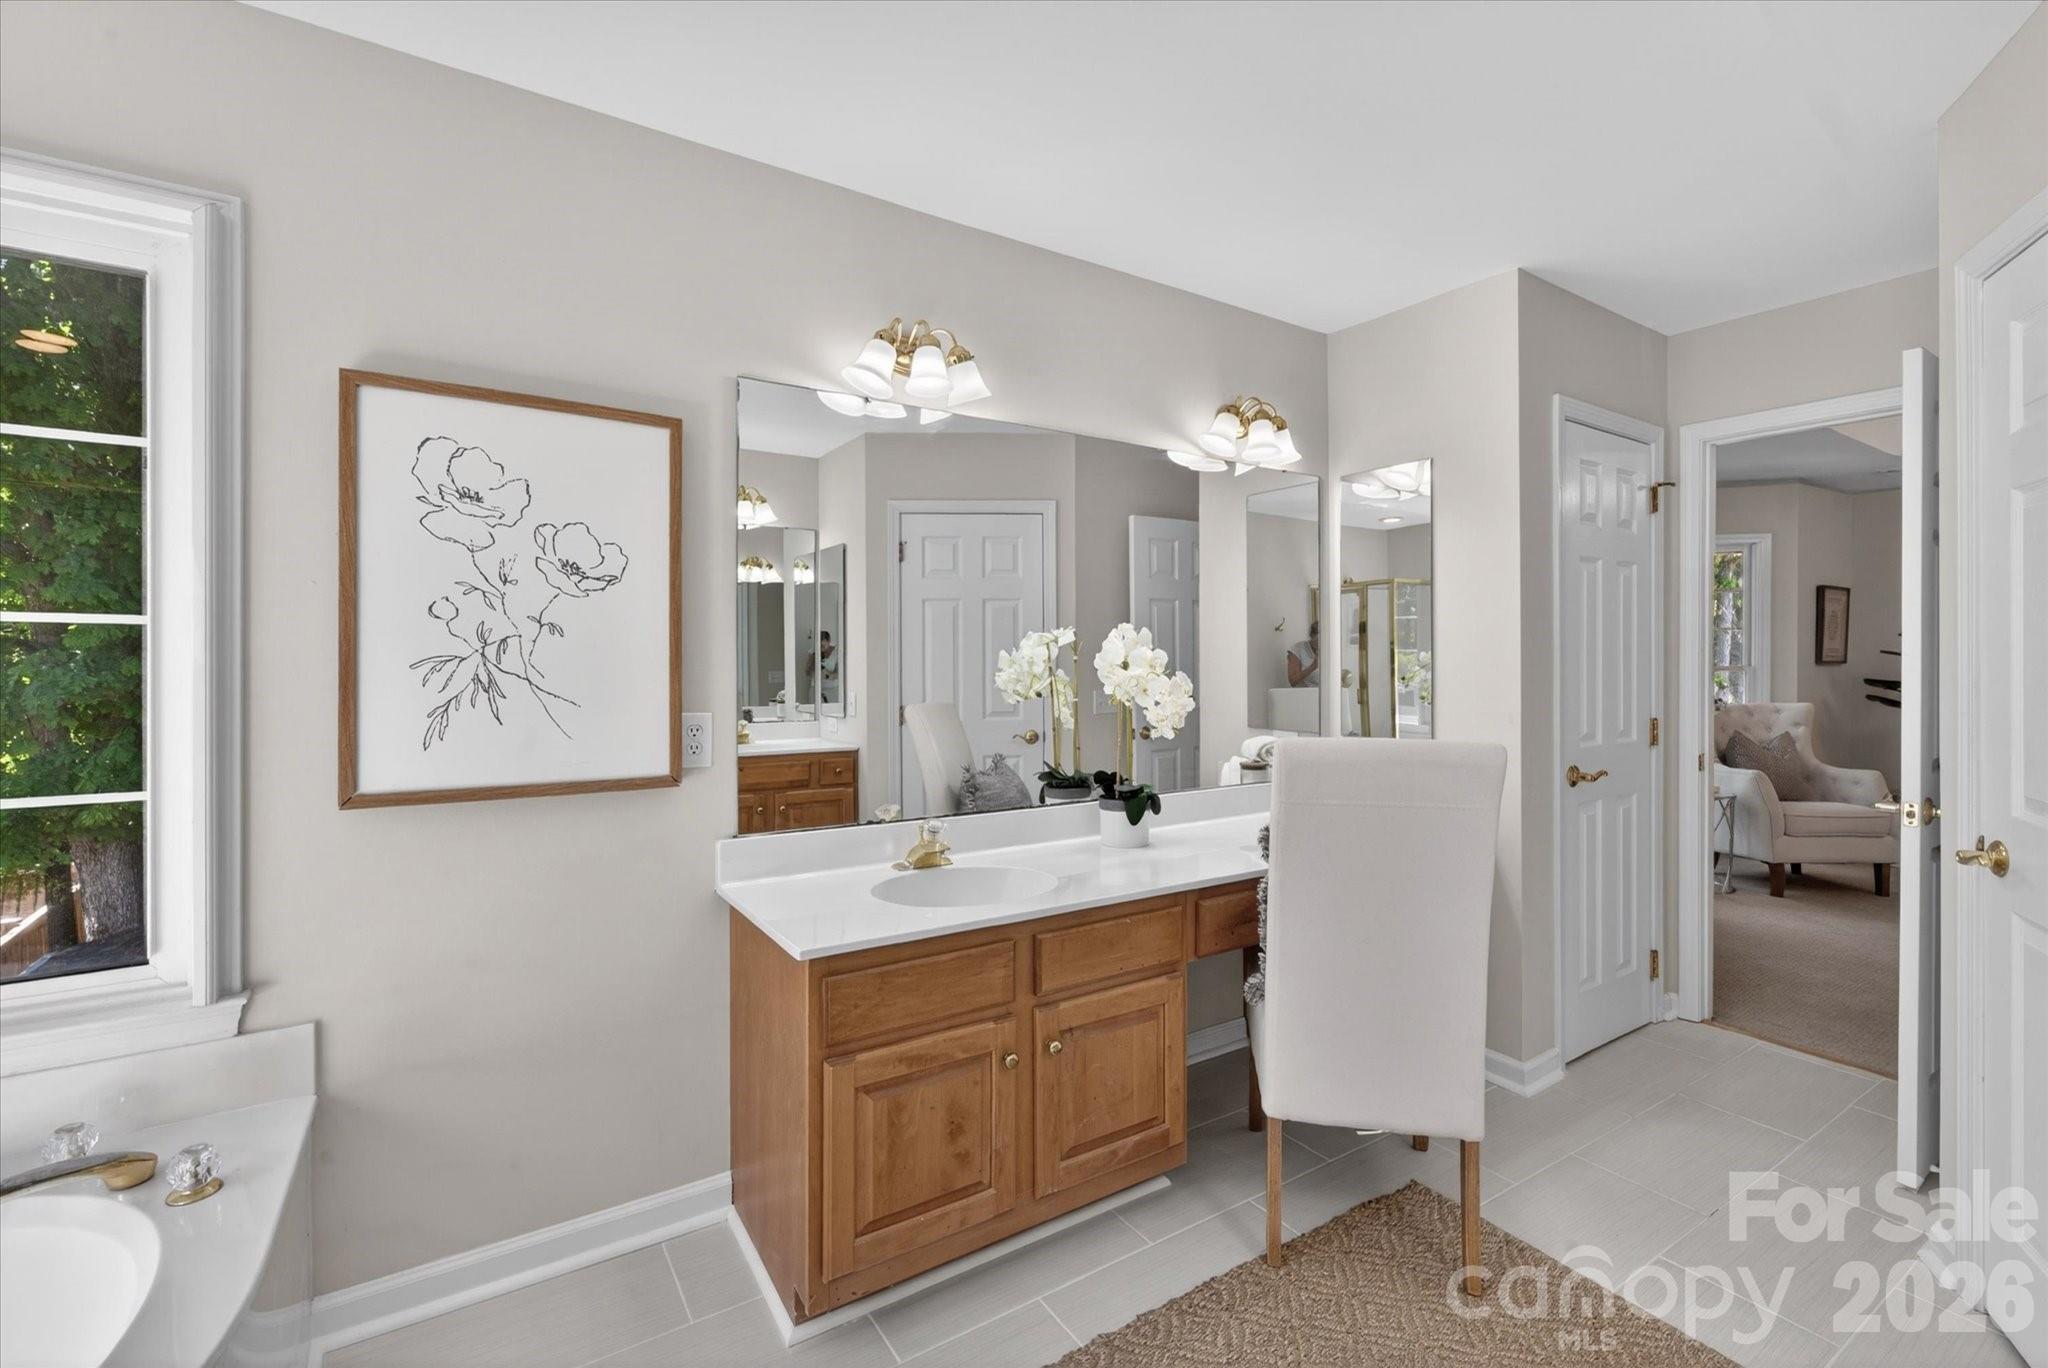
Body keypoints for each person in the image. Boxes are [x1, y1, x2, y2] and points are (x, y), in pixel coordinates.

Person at [1286, 620, 1320, 688]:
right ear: (1312, 635)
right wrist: (1313, 666)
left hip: (1326, 693)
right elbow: (1293, 681)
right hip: (1304, 693)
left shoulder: (1330, 650)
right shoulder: (1298, 649)